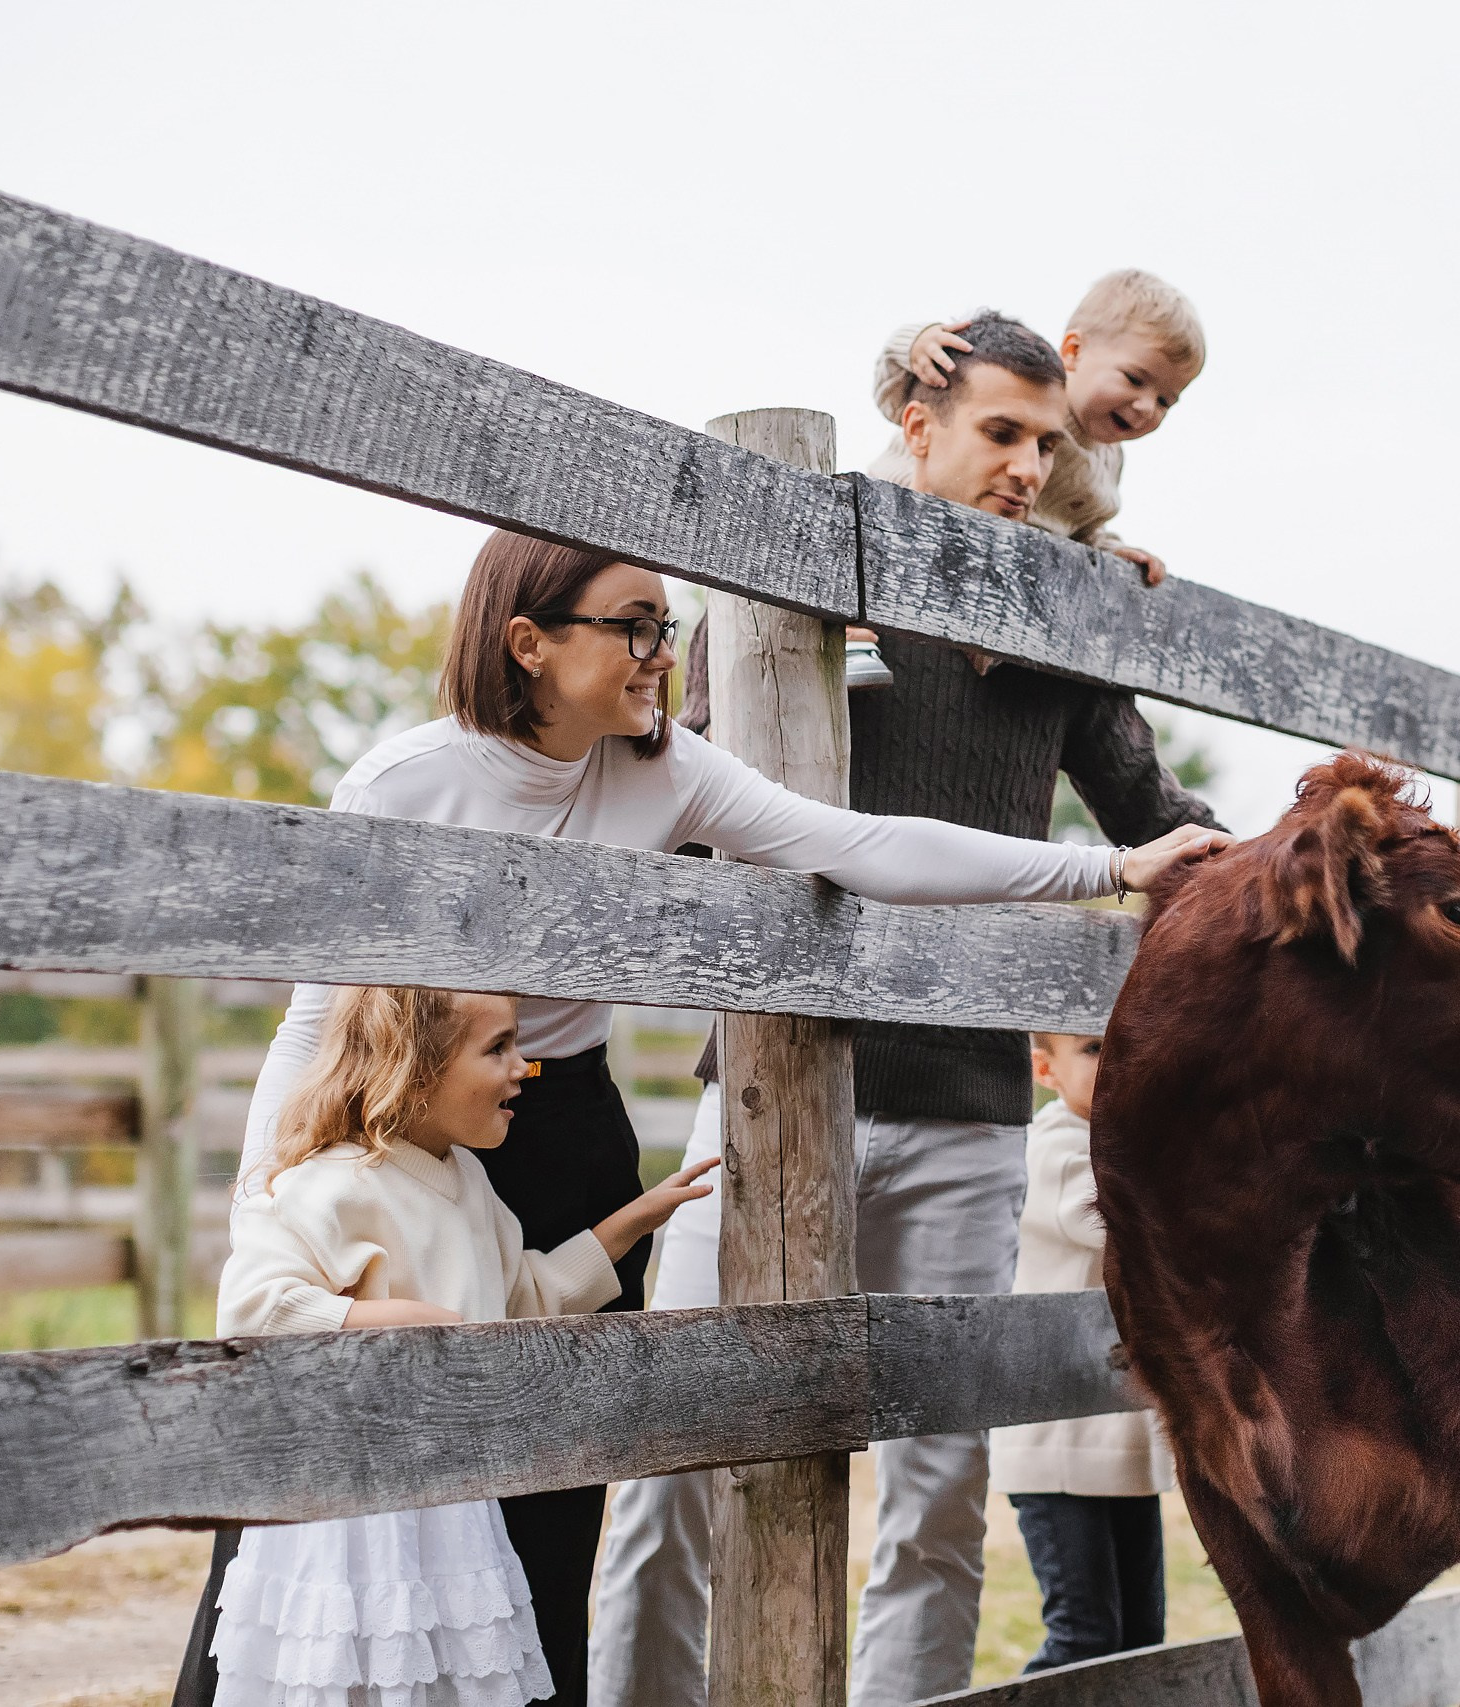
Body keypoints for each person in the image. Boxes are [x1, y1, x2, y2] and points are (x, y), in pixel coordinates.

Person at [171, 527, 1228, 1707]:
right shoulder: (405, 784)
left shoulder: (663, 768)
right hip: (392, 1139)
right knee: (317, 1444)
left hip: (564, 1125)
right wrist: (267, 1207)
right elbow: (316, 1026)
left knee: (560, 1474)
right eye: (633, 627)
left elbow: (862, 846)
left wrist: (1111, 867)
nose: (661, 656)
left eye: (662, 628)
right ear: (528, 643)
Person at [595, 311, 1223, 1707]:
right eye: (999, 432)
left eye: (1044, 444)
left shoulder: (1056, 615)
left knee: (935, 1487)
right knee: (676, 1459)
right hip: (760, 1080)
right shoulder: (798, 565)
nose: (1022, 464)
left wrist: (1296, 856)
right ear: (920, 422)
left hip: (967, 1110)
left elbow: (1152, 812)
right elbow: (685, 791)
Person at [205, 984, 720, 1707]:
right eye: (499, 1048)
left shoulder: (469, 1185)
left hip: (452, 1514)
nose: (525, 1068)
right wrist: (399, 1320)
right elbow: (256, 1306)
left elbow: (525, 1298)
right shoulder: (334, 1183)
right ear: (417, 1071)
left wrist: (629, 1224)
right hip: (354, 1520)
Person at [993, 1031, 1173, 1673]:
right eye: (1095, 1048)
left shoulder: (1131, 1148)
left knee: (1142, 1639)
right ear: (1044, 1068)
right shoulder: (1056, 1146)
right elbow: (1103, 1221)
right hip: (1058, 1446)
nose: (1118, 1060)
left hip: (1119, 1438)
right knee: (1084, 1637)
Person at [867, 268, 1205, 582]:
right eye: (1134, 378)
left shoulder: (1108, 462)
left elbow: (1081, 529)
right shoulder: (1020, 387)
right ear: (1073, 351)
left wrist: (1109, 553)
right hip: (900, 517)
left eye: (1165, 401)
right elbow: (902, 390)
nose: (1147, 406)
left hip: (997, 557)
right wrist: (917, 344)